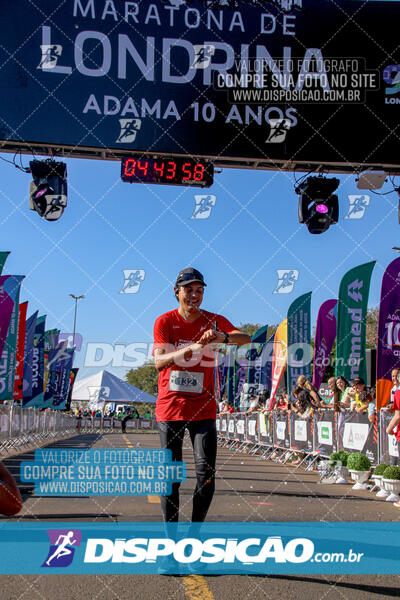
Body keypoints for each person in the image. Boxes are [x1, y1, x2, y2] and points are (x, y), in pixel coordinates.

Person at [153, 267, 250, 522]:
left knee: (206, 476)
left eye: (199, 291)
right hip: (170, 409)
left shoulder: (213, 320)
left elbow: (246, 338)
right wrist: (190, 349)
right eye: (188, 290)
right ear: (177, 293)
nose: (194, 295)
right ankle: (170, 546)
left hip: (203, 409)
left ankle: (193, 540)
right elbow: (159, 362)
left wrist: (222, 336)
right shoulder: (165, 321)